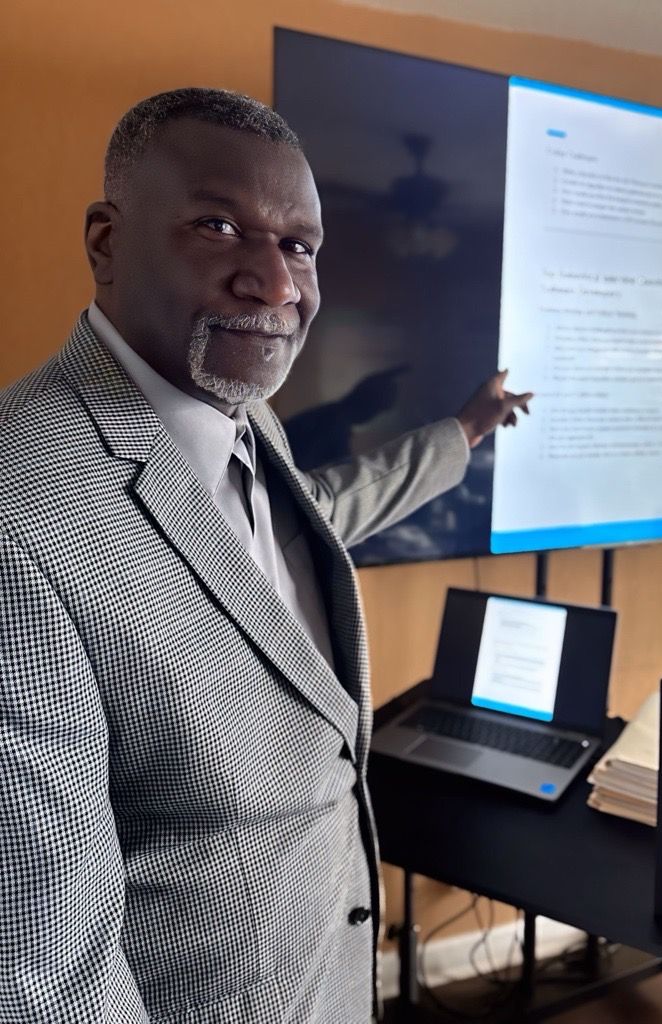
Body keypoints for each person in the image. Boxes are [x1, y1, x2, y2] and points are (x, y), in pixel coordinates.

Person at [0, 88, 532, 1023]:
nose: (278, 285)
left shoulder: (241, 417)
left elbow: (310, 519)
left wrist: (462, 432)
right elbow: (46, 972)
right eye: (219, 226)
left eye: (300, 245)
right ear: (106, 242)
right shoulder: (21, 515)